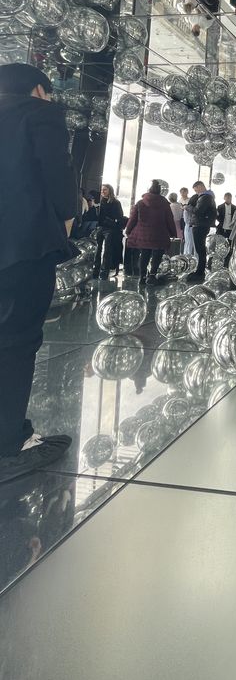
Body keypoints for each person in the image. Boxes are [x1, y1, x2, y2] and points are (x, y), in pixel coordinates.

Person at [0, 63, 77, 483]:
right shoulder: (37, 113)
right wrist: (67, 220)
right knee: (17, 341)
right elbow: (59, 180)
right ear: (37, 90)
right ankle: (9, 444)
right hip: (23, 250)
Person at [124, 180, 177, 286]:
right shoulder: (164, 203)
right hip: (160, 234)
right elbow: (169, 219)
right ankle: (152, 276)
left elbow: (133, 218)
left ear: (149, 190)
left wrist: (128, 230)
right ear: (159, 191)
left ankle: (142, 277)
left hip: (144, 234)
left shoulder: (141, 202)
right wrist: (173, 233)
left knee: (144, 255)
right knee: (157, 255)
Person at [186, 180, 217, 281]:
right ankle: (200, 270)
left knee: (200, 249)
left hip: (200, 225)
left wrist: (188, 207)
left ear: (200, 187)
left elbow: (198, 211)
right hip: (202, 224)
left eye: (196, 190)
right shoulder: (208, 197)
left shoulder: (205, 197)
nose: (196, 192)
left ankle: (200, 271)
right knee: (200, 249)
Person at [93, 184, 125, 279]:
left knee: (107, 251)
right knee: (97, 250)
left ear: (110, 190)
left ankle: (104, 272)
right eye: (102, 190)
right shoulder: (100, 201)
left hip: (109, 228)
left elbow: (119, 216)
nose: (102, 191)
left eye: (105, 190)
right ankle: (96, 271)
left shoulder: (115, 202)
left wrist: (111, 221)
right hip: (100, 227)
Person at [180, 187, 195, 256]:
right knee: (185, 238)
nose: (183, 194)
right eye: (182, 192)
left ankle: (188, 254)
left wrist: (185, 208)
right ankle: (184, 252)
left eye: (184, 192)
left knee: (189, 240)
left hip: (189, 222)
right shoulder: (179, 200)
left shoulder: (189, 200)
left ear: (187, 192)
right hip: (182, 219)